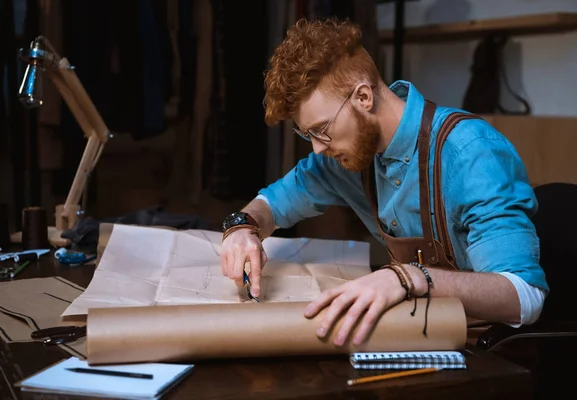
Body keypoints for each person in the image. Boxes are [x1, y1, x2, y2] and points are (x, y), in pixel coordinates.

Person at [219, 17, 548, 347]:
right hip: (423, 335)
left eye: (321, 129)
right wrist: (242, 227)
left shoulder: (470, 152)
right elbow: (272, 205)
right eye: (307, 135)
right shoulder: (343, 159)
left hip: (490, 349)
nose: (317, 147)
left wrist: (409, 276)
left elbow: (524, 296)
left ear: (363, 97)